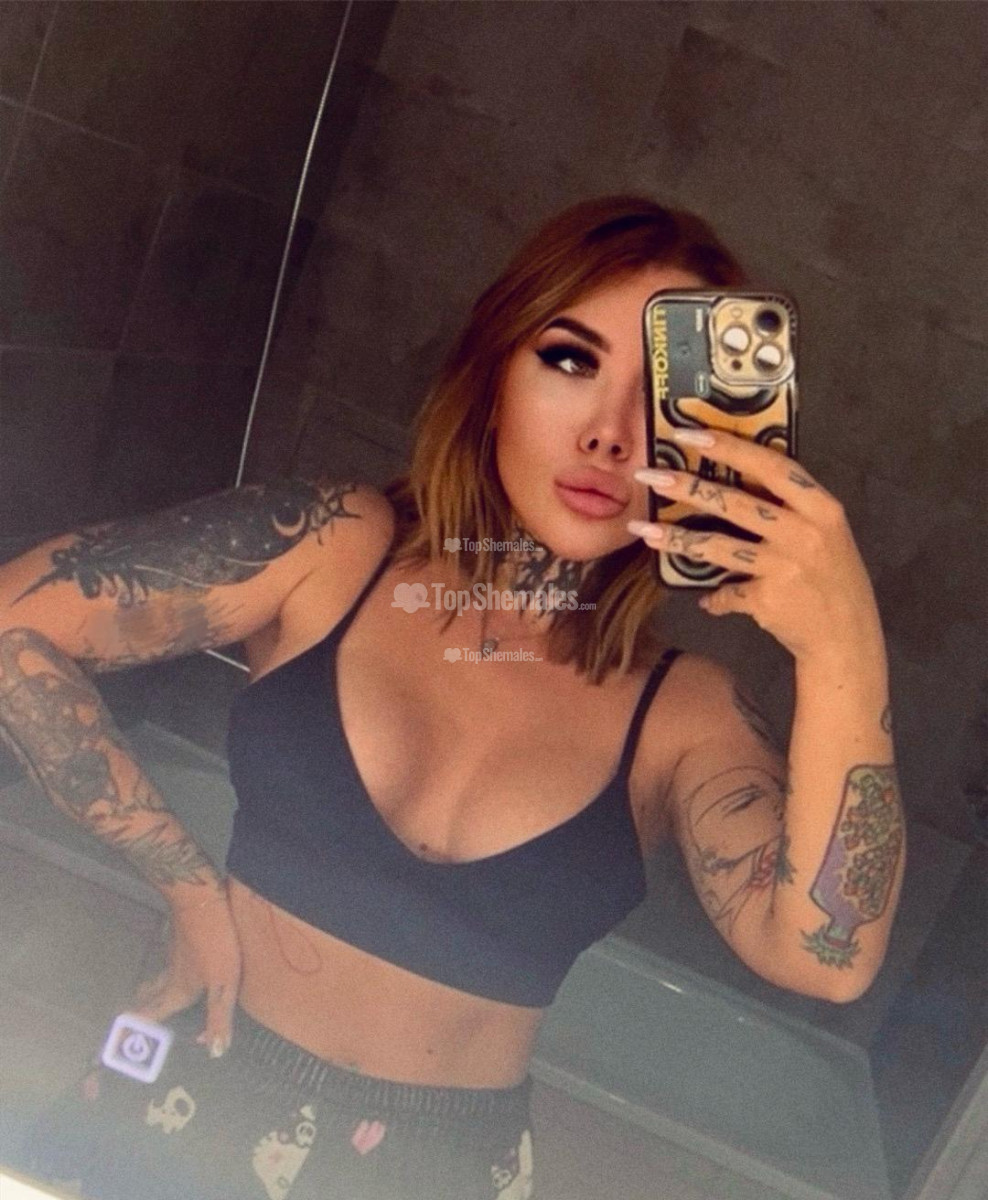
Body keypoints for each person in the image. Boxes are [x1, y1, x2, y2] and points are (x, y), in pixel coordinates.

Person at [0, 195, 905, 1200]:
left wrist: (844, 648)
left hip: (437, 1173)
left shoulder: (685, 715)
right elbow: (15, 621)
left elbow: (826, 955)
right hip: (177, 1074)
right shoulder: (331, 545)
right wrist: (183, 886)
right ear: (494, 369)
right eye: (571, 360)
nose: (610, 435)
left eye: (662, 399)